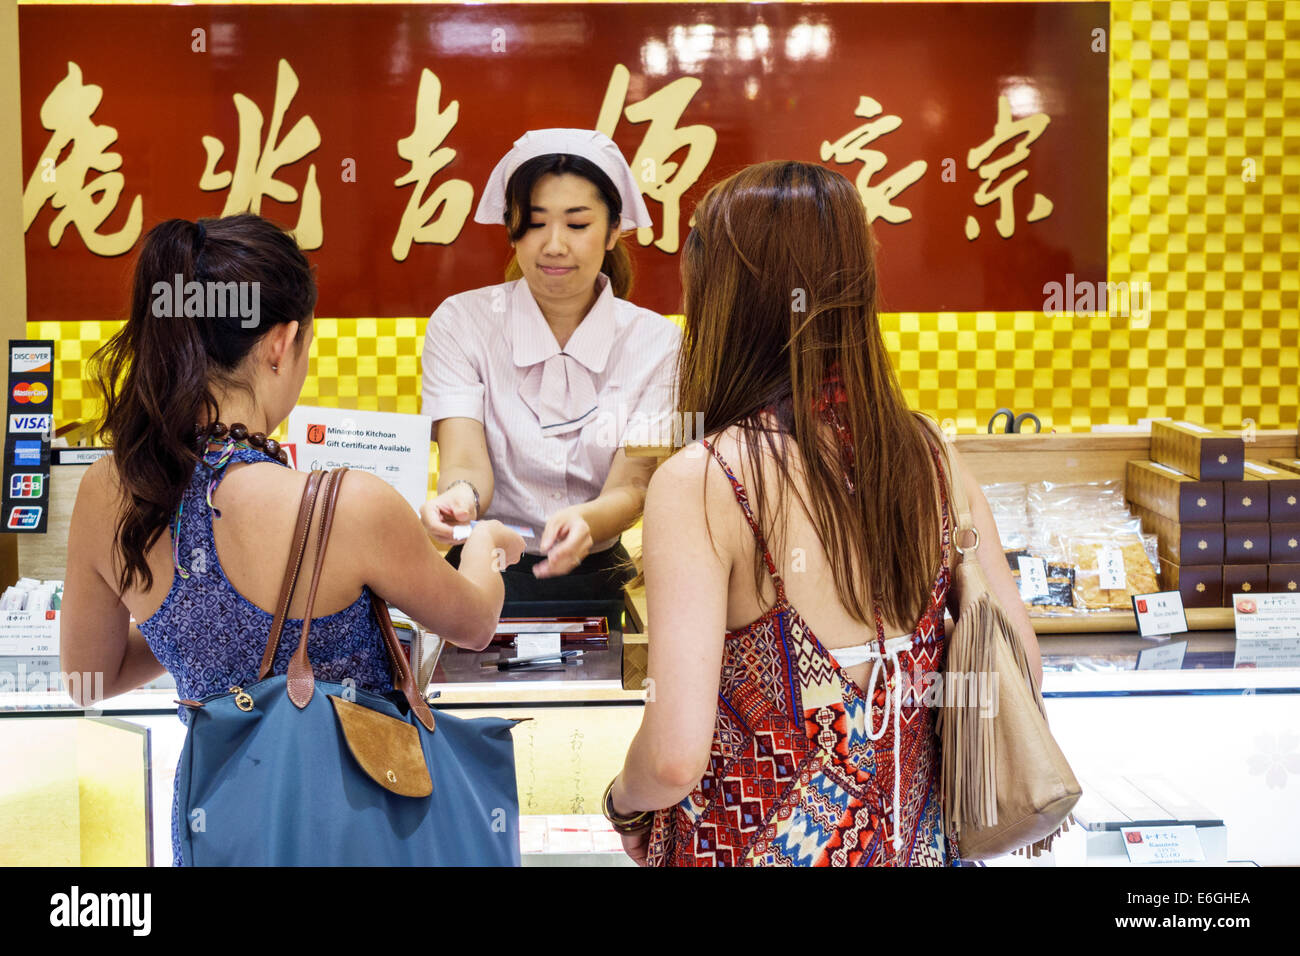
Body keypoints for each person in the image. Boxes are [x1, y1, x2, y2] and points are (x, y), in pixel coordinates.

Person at [603, 161, 1043, 867]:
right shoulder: (930, 454)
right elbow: (1020, 664)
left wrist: (621, 802)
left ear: (722, 298)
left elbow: (674, 760)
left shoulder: (705, 479)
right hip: (919, 846)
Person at [61, 213, 525, 866]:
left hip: (225, 831)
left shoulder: (108, 490)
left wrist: (197, 624)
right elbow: (475, 622)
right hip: (357, 829)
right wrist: (486, 545)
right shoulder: (346, 504)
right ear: (282, 342)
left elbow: (90, 679)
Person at [420, 129, 681, 622]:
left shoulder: (658, 342)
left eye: (578, 224)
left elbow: (635, 484)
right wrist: (459, 500)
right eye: (534, 223)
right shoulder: (460, 322)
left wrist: (587, 519)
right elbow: (464, 461)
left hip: (602, 582)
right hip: (480, 575)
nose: (554, 245)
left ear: (612, 231)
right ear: (512, 228)